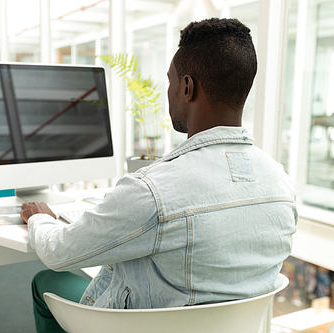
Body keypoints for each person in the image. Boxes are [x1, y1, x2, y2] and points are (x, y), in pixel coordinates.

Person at [20, 18, 297, 333]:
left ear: (187, 87)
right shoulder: (282, 183)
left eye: (170, 82)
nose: (169, 92)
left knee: (47, 281)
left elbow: (59, 252)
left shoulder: (152, 190)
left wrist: (40, 218)